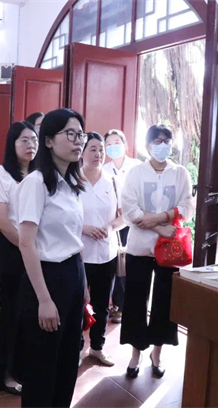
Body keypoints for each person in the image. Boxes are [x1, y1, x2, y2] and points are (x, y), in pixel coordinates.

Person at [14, 108, 88, 407]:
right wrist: (44, 299)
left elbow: (73, 239)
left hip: (73, 272)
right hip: (47, 277)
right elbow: (26, 243)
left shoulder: (72, 183)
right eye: (70, 134)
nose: (78, 141)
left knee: (68, 358)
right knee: (42, 363)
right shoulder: (36, 183)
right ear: (48, 141)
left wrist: (83, 285)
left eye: (80, 134)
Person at [120, 124, 194, 378]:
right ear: (147, 145)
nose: (163, 145)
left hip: (170, 249)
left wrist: (161, 218)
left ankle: (157, 353)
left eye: (167, 141)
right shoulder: (136, 173)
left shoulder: (180, 173)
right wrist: (159, 227)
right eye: (157, 141)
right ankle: (136, 353)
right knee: (135, 301)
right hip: (139, 247)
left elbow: (187, 207)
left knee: (164, 301)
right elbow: (129, 210)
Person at [0, 121, 38, 395]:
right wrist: (27, 246)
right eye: (24, 140)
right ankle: (2, 375)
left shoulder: (41, 173)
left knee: (30, 312)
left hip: (38, 250)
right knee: (10, 314)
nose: (31, 145)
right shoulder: (0, 175)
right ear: (12, 144)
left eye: (34, 140)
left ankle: (23, 368)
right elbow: (3, 221)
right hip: (14, 250)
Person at [80, 132, 125, 367]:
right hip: (79, 253)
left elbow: (124, 216)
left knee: (101, 304)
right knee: (77, 303)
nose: (99, 154)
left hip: (107, 253)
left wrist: (109, 227)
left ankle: (97, 347)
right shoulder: (72, 181)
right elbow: (62, 217)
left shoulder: (114, 181)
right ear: (82, 152)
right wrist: (84, 228)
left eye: (101, 150)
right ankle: (77, 347)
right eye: (93, 149)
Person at [103, 129, 141, 324]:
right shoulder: (104, 169)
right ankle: (116, 305)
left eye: (116, 142)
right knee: (116, 264)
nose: (113, 147)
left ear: (125, 145)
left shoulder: (137, 167)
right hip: (113, 222)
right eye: (108, 144)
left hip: (134, 222)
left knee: (129, 265)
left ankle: (128, 306)